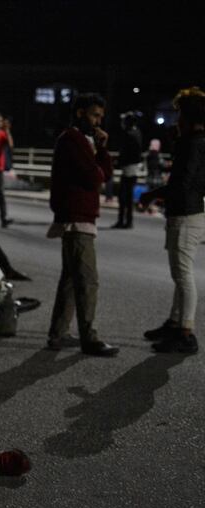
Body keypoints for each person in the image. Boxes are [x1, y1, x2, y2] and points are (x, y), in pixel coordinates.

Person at [46, 93, 119, 356]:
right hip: (76, 219)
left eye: (101, 116)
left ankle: (58, 333)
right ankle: (89, 337)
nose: (98, 121)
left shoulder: (82, 140)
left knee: (70, 279)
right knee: (87, 280)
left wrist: (101, 149)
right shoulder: (72, 139)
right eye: (94, 115)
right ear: (79, 113)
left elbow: (104, 174)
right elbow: (93, 178)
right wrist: (98, 162)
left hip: (78, 218)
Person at [139, 87, 205, 354]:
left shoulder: (193, 143)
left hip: (185, 216)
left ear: (187, 115)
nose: (176, 118)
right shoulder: (196, 141)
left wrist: (152, 194)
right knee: (181, 275)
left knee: (183, 275)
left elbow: (182, 182)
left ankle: (186, 333)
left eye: (179, 113)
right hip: (189, 214)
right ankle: (175, 323)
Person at [113, 111, 143, 228]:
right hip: (134, 167)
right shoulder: (137, 132)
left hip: (128, 167)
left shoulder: (129, 134)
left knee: (124, 195)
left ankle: (123, 220)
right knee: (128, 196)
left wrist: (119, 162)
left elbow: (125, 152)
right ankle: (128, 221)